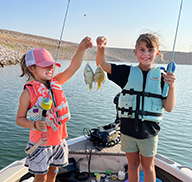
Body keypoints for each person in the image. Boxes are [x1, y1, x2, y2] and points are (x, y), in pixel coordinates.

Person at [96, 34, 176, 182]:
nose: (146, 54)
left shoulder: (164, 77)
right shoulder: (126, 73)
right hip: (128, 130)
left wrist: (171, 86)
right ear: (135, 52)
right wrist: (101, 49)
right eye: (142, 49)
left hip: (149, 132)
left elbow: (169, 108)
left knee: (148, 167)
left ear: (157, 53)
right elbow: (103, 66)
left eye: (150, 50)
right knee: (132, 165)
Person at [16, 36, 92, 182]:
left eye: (51, 65)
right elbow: (19, 119)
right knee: (41, 176)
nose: (51, 67)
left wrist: (81, 48)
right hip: (40, 144)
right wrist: (34, 125)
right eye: (45, 65)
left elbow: (74, 66)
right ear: (31, 68)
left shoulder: (56, 82)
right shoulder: (27, 93)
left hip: (58, 141)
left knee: (54, 173)